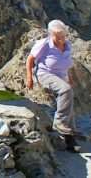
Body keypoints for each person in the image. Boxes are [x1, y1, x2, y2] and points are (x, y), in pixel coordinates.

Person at [26, 19, 81, 152]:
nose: (62, 39)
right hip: (45, 74)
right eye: (59, 37)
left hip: (61, 77)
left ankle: (71, 141)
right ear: (52, 35)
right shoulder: (44, 44)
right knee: (66, 90)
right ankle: (59, 122)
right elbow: (30, 59)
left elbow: (66, 63)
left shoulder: (68, 45)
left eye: (63, 35)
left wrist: (69, 78)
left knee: (68, 105)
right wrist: (30, 78)